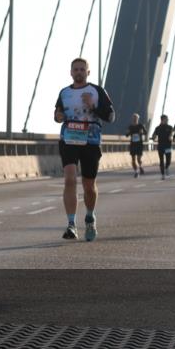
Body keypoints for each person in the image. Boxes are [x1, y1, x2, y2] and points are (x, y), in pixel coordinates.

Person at [54, 58, 116, 242]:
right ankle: (71, 224)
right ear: (71, 72)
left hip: (91, 140)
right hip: (69, 139)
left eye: (82, 69)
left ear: (88, 72)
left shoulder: (97, 91)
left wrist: (93, 106)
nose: (79, 72)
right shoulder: (64, 93)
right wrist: (58, 116)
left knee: (89, 186)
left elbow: (111, 116)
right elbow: (57, 114)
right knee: (70, 179)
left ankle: (90, 217)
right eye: (76, 69)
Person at [151, 114, 174, 180]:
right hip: (161, 146)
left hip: (168, 146)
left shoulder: (170, 127)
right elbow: (154, 135)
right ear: (162, 120)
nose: (167, 120)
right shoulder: (158, 128)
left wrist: (171, 136)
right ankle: (163, 174)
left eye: (167, 119)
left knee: (168, 161)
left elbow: (173, 134)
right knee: (161, 160)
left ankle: (167, 168)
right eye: (166, 119)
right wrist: (153, 137)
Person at [126, 113, 147, 177]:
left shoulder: (141, 126)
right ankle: (136, 172)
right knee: (133, 159)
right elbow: (126, 135)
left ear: (138, 118)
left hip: (139, 144)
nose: (135, 119)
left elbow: (146, 132)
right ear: (132, 119)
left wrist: (142, 132)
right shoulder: (130, 126)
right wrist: (128, 132)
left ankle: (140, 166)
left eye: (136, 118)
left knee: (138, 159)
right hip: (133, 144)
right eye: (134, 118)